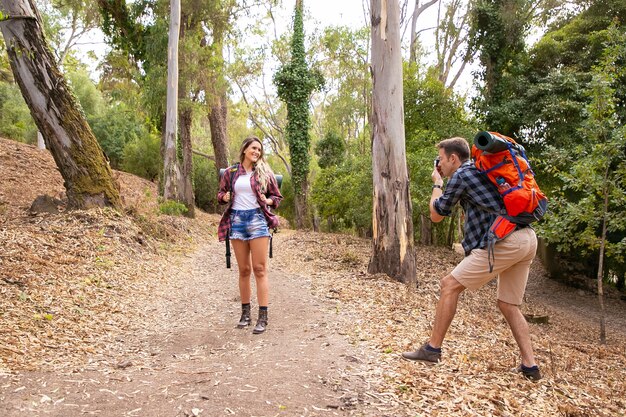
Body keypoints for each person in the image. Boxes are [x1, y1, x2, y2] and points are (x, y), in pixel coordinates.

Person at [402, 137, 541, 381]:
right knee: (509, 304)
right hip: (527, 237)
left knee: (449, 285)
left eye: (442, 160)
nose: (440, 165)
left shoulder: (462, 175)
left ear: (453, 158)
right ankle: (530, 366)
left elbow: (436, 215)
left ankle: (432, 349)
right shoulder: (481, 169)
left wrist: (438, 183)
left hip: (505, 240)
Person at [217, 136, 283, 334]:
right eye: (254, 148)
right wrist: (224, 196)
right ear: (245, 149)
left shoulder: (264, 172)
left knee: (260, 269)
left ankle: (263, 316)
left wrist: (268, 201)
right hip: (236, 221)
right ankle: (245, 314)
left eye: (259, 150)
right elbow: (220, 196)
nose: (256, 152)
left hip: (257, 220)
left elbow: (276, 197)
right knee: (244, 270)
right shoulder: (230, 172)